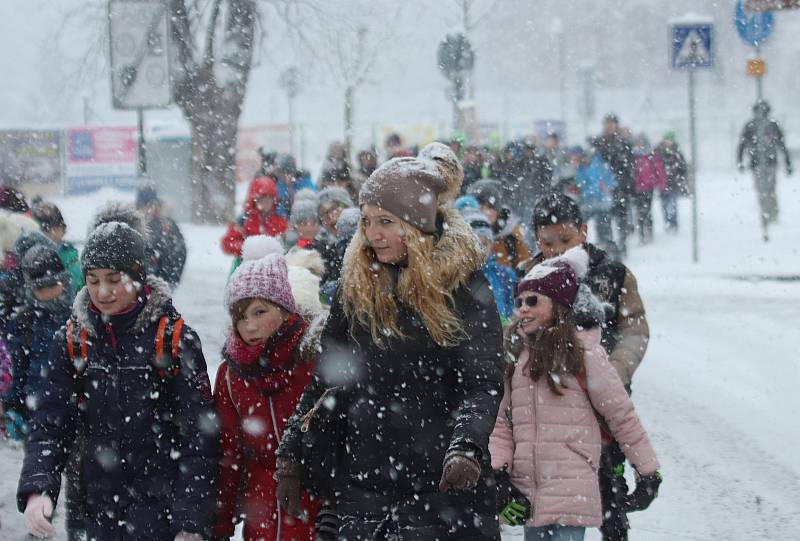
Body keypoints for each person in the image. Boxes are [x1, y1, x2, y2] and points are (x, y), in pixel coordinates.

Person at [275, 143, 505, 539]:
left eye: (385, 222)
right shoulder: (359, 286)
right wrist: (292, 453)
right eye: (366, 221)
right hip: (363, 486)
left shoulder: (463, 287)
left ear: (416, 227)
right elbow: (328, 378)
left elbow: (482, 383)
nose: (372, 235)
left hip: (439, 490)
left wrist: (465, 447)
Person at [17, 221, 219, 541]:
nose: (103, 291)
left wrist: (190, 519)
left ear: (137, 277)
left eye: (114, 279)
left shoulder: (173, 339)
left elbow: (199, 435)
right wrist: (39, 487)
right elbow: (50, 422)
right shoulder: (73, 340)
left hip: (161, 510)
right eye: (93, 280)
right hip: (101, 508)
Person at [490, 246, 661, 541]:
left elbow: (621, 415)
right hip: (528, 494)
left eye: (533, 301)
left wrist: (647, 471)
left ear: (559, 305)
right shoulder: (516, 356)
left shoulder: (585, 355)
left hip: (573, 491)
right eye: (519, 302)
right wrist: (498, 475)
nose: (523, 309)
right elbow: (503, 423)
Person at [520, 194, 650, 541]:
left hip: (604, 398)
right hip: (550, 402)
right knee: (550, 491)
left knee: (609, 486)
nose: (559, 250)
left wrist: (615, 371)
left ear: (584, 231)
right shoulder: (529, 276)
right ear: (536, 238)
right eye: (549, 242)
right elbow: (514, 331)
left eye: (567, 240)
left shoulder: (611, 273)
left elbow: (634, 329)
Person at [211, 251, 326, 541]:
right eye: (240, 316)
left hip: (315, 504)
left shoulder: (315, 360)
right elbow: (228, 455)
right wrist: (220, 525)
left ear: (285, 309)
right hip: (261, 509)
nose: (249, 326)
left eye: (260, 312)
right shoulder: (231, 374)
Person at [4, 244, 85, 540]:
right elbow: (15, 370)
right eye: (41, 288)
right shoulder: (24, 323)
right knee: (41, 470)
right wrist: (12, 405)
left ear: (63, 281)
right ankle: (40, 522)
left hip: (74, 413)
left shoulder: (78, 318)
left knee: (78, 478)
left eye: (53, 285)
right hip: (37, 413)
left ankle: (78, 529)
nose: (48, 293)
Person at [736, 100, 792, 240]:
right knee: (765, 189)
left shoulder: (768, 125)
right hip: (760, 163)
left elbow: (781, 144)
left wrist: (787, 161)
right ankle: (768, 213)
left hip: (767, 163)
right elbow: (742, 144)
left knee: (767, 189)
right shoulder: (756, 126)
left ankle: (769, 214)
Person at [222, 176, 288, 272]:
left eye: (269, 198)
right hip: (246, 269)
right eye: (262, 198)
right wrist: (249, 249)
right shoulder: (244, 220)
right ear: (254, 199)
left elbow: (286, 246)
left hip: (273, 271)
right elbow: (227, 243)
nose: (266, 202)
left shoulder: (281, 222)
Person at [462, 207, 516, 323]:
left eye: (484, 244)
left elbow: (513, 310)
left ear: (491, 244)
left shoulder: (505, 275)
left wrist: (505, 322)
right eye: (474, 244)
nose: (480, 250)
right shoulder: (458, 276)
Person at [467, 178, 531, 271]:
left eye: (490, 207)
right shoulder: (464, 236)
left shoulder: (512, 237)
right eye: (481, 207)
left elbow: (525, 268)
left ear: (498, 210)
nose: (486, 212)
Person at [595, 114, 634, 257]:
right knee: (604, 219)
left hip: (620, 187)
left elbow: (629, 166)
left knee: (621, 218)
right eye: (607, 124)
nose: (608, 127)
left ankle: (621, 244)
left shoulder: (623, 143)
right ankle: (609, 245)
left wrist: (625, 183)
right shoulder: (599, 143)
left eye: (611, 124)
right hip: (604, 188)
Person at [136, 184, 187, 289]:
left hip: (165, 282)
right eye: (145, 206)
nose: (150, 209)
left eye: (153, 205)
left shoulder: (167, 224)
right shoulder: (135, 226)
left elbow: (180, 250)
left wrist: (173, 277)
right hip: (141, 285)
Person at [31, 202, 84, 293]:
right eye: (45, 230)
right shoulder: (31, 259)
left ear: (63, 229)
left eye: (55, 227)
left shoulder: (72, 259)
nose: (51, 233)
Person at [573, 145, 616, 253]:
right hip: (588, 203)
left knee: (605, 229)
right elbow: (580, 185)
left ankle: (610, 250)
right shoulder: (580, 169)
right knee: (582, 227)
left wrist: (607, 189)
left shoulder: (598, 165)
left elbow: (607, 181)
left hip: (601, 202)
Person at [313, 186, 354, 283]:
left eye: (334, 208)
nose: (330, 216)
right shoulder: (322, 252)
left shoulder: (367, 238)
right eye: (324, 213)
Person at [632, 135, 666, 245]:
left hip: (649, 188)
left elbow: (659, 171)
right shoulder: (634, 157)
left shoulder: (652, 157)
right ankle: (642, 234)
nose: (640, 145)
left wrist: (660, 185)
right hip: (637, 189)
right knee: (639, 212)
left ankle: (649, 233)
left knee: (646, 211)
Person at [654, 133, 687, 233]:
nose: (668, 142)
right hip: (662, 184)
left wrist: (679, 177)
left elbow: (683, 167)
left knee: (672, 204)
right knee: (664, 205)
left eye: (670, 140)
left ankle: (673, 223)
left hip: (673, 184)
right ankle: (668, 222)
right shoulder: (658, 152)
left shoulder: (677, 153)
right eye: (667, 140)